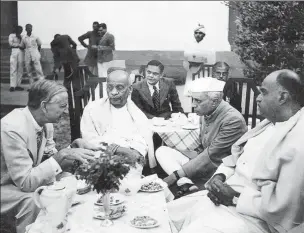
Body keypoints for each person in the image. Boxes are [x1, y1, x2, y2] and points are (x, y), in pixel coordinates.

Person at [167, 69, 304, 233]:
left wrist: (234, 197)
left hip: (252, 216)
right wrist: (220, 176)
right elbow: (237, 158)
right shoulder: (268, 124)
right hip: (224, 195)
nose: (257, 98)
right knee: (166, 212)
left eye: (263, 93)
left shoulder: (297, 143)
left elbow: (285, 209)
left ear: (282, 97)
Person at [0, 79, 101, 233]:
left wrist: (72, 149)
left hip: (24, 180)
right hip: (7, 186)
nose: (66, 111)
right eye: (62, 106)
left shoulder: (46, 123)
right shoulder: (12, 128)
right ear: (44, 106)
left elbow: (51, 161)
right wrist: (62, 155)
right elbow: (25, 183)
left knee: (69, 180)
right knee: (35, 200)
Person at [155, 77, 247, 196]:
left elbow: (211, 154)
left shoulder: (232, 119)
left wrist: (174, 176)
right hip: (204, 161)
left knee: (182, 169)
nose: (193, 105)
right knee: (162, 151)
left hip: (219, 168)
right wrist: (188, 154)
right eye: (193, 100)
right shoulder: (207, 111)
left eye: (198, 101)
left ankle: (185, 183)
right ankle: (186, 183)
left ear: (215, 101)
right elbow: (201, 146)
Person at [80, 67, 157, 172]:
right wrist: (118, 149)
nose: (113, 92)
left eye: (119, 87)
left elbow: (143, 140)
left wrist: (134, 152)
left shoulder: (136, 114)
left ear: (130, 89)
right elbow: (88, 139)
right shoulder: (92, 110)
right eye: (110, 87)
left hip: (129, 162)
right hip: (99, 159)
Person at [182, 24, 215, 112]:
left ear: (204, 35)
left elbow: (211, 60)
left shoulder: (209, 46)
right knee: (193, 96)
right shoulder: (189, 45)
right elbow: (185, 59)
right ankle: (194, 113)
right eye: (196, 33)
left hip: (204, 74)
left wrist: (201, 61)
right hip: (192, 72)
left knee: (203, 96)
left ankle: (204, 113)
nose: (198, 35)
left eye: (200, 33)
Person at [8, 25, 24, 92]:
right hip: (14, 51)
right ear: (16, 29)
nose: (20, 31)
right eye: (19, 29)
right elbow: (10, 44)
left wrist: (20, 39)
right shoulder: (11, 35)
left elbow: (24, 45)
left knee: (20, 68)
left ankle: (18, 85)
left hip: (21, 52)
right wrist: (18, 45)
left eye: (21, 30)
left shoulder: (22, 36)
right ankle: (12, 85)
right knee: (13, 68)